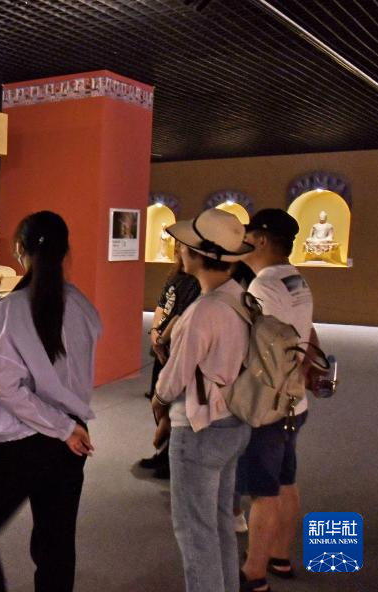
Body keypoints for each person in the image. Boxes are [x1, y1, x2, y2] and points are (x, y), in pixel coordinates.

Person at [0, 211, 101, 592]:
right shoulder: (83, 307)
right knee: (55, 546)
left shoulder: (10, 310)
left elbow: (9, 390)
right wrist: (67, 428)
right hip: (69, 441)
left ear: (20, 250)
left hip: (19, 443)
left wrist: (62, 428)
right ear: (66, 250)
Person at [154, 208, 254, 592]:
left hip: (200, 427)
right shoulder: (241, 298)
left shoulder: (202, 311)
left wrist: (158, 400)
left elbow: (174, 377)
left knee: (194, 532)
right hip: (235, 421)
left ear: (197, 254)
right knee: (219, 523)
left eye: (185, 246)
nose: (180, 251)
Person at [237, 209, 314, 590]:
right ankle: (280, 557)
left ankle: (253, 573)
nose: (243, 241)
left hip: (269, 405)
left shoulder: (262, 287)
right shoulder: (295, 278)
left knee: (263, 492)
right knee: (286, 480)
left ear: (262, 240)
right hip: (295, 401)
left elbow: (259, 348)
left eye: (247, 235)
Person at [142, 252, 200, 478]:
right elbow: (162, 305)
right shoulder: (176, 276)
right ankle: (164, 451)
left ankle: (171, 457)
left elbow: (181, 316)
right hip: (162, 347)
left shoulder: (197, 284)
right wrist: (155, 332)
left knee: (173, 403)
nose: (179, 251)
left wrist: (161, 338)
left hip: (175, 349)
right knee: (158, 398)